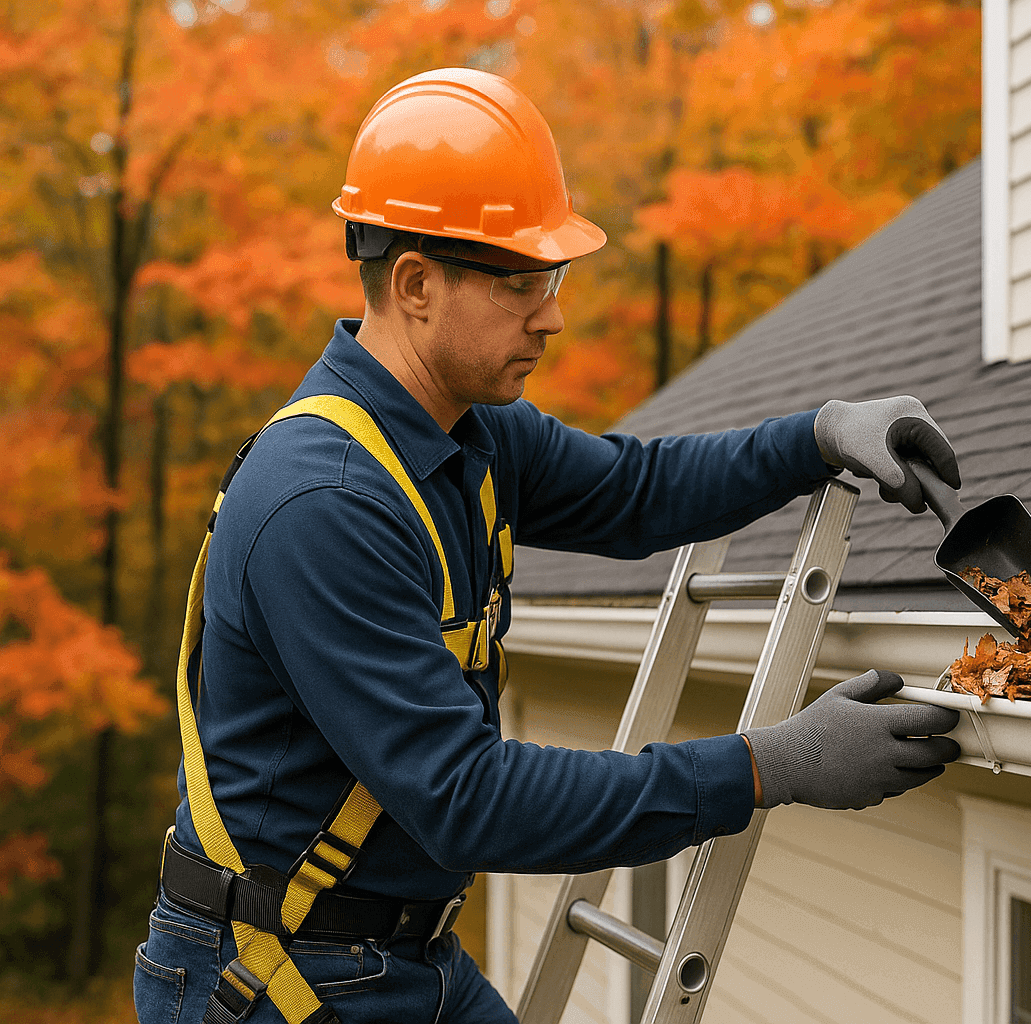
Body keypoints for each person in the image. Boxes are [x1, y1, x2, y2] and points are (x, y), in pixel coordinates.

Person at [134, 67, 962, 1024]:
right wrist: (767, 767)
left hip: (406, 957)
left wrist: (819, 435)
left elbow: (637, 491)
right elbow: (468, 798)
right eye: (523, 282)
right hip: (274, 977)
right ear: (415, 284)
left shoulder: (471, 432)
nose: (553, 315)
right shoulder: (323, 502)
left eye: (554, 278)